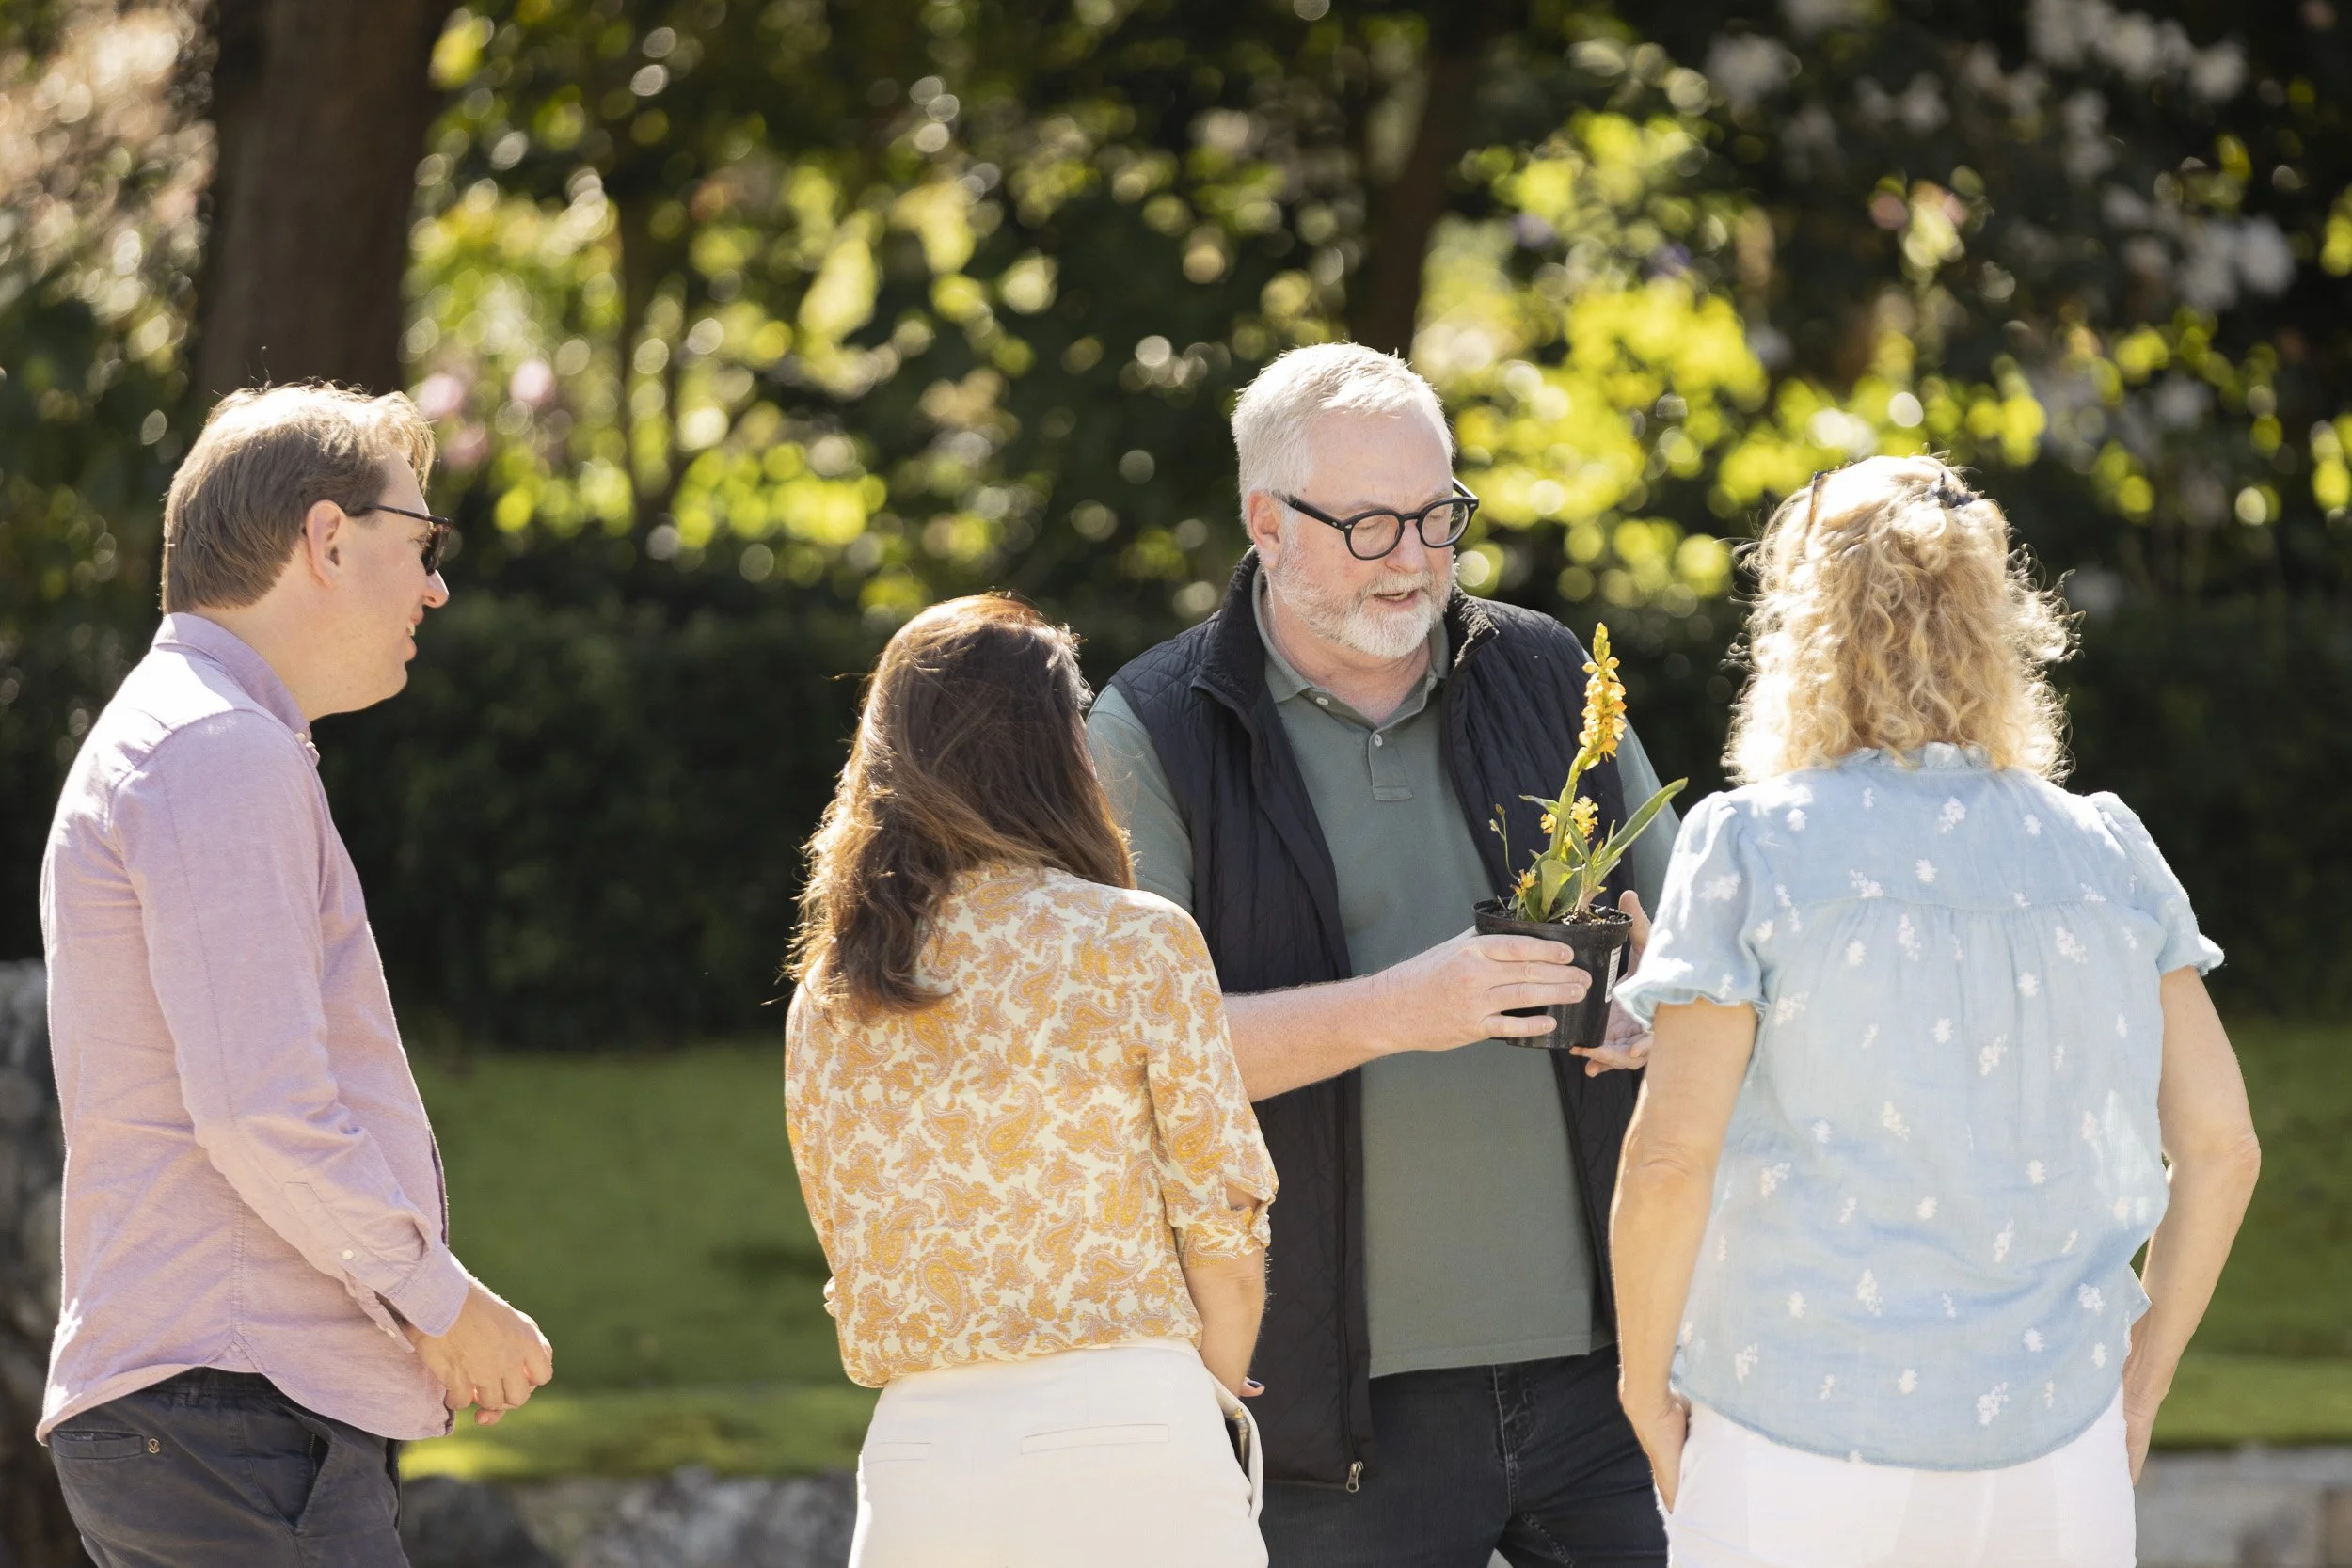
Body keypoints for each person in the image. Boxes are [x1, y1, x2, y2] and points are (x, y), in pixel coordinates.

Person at [1610, 456, 2264, 1567]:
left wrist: (1639, 1380)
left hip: (1792, 1433)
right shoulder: (2108, 847)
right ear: (1995, 626)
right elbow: (2221, 1145)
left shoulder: (1752, 842)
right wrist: (2140, 1383)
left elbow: (1670, 1156)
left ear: (1802, 630)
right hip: (2057, 1448)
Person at [1088, 341, 1677, 1566]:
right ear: (1267, 521)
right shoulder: (1155, 729)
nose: (1413, 555)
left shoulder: (1552, 672)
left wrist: (1656, 1008)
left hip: (1610, 1380)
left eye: (1436, 515)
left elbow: (1699, 945)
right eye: (1368, 524)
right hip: (1328, 1411)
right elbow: (1127, 1066)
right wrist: (1408, 1003)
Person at [38, 383, 554, 1566]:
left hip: (219, 1423)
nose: (435, 584)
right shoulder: (218, 747)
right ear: (327, 538)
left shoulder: (198, 735)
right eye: (420, 544)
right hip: (235, 1415)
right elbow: (258, 1108)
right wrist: (444, 1303)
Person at [785, 594, 1279, 1568]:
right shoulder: (1138, 941)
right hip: (1131, 1426)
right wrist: (1200, 1402)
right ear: (1059, 751)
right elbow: (1225, 1237)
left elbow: (852, 1251)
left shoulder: (833, 993)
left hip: (920, 1461)